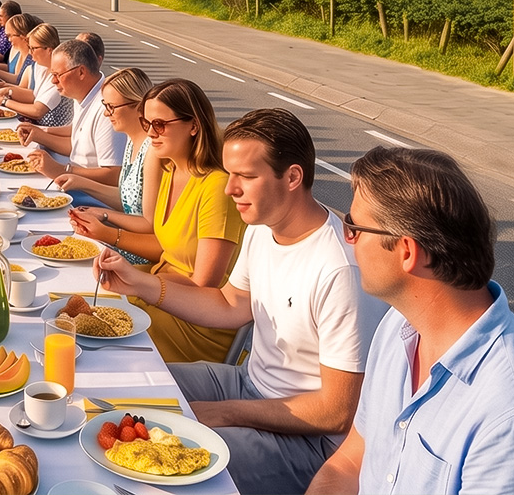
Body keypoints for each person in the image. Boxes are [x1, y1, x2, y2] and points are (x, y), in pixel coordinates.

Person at [95, 108, 386, 494]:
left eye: (245, 177)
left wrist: (223, 413)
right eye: (230, 174)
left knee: (162, 460)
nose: (230, 188)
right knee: (128, 389)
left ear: (293, 177)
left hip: (305, 440)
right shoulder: (264, 228)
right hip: (248, 385)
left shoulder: (338, 270)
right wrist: (139, 285)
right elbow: (231, 305)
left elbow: (335, 412)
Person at [308, 147, 514, 495]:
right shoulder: (396, 328)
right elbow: (350, 463)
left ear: (407, 251)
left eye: (355, 227)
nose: (349, 240)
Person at [78, 78, 246, 359]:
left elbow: (204, 285)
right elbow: (165, 247)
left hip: (195, 320)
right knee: (86, 304)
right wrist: (117, 255)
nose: (151, 133)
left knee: (102, 343)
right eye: (147, 124)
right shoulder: (171, 171)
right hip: (160, 288)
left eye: (160, 124)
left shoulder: (216, 188)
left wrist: (138, 282)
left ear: (193, 125)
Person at [60, 67, 158, 264]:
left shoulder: (152, 153)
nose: (106, 114)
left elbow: (149, 223)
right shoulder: (131, 141)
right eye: (105, 105)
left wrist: (104, 215)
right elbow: (128, 199)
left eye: (111, 107)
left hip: (136, 253)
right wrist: (81, 183)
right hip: (124, 242)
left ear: (138, 106)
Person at [19, 39, 126, 188]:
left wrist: (62, 170)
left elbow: (114, 175)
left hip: (89, 196)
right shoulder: (83, 94)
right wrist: (38, 134)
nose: (53, 81)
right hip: (74, 181)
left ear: (81, 72)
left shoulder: (106, 107)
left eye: (57, 75)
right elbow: (78, 146)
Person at [0, 22, 72, 127]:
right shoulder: (40, 66)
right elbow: (34, 96)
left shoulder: (59, 75)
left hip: (51, 133)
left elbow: (37, 111)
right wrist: (9, 91)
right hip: (38, 127)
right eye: (29, 48)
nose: (30, 52)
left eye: (34, 48)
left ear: (49, 49)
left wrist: (5, 102)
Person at [0, 13, 40, 85]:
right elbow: (18, 78)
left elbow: (19, 83)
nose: (9, 40)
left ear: (22, 36)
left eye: (10, 36)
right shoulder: (20, 50)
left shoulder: (33, 58)